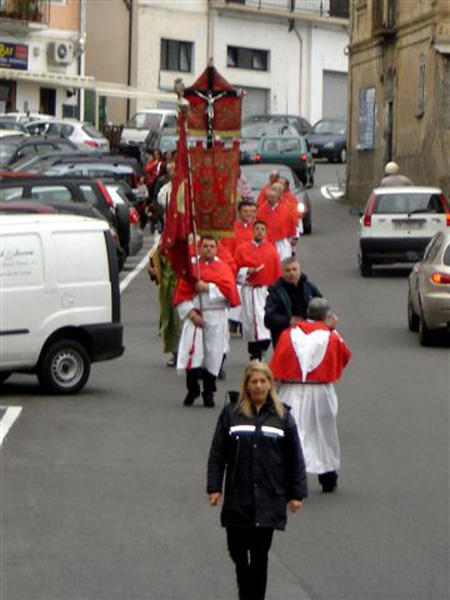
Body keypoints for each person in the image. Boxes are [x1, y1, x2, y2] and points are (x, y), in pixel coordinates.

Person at [207, 361, 307, 600]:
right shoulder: (231, 414)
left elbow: (295, 458)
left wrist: (296, 495)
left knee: (260, 556)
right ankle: (246, 588)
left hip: (269, 497)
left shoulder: (283, 416)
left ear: (270, 384)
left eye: (263, 381)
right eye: (254, 382)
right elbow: (217, 453)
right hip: (238, 495)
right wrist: (214, 487)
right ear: (246, 385)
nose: (259, 386)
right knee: (238, 554)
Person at [270, 298, 352, 493]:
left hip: (291, 389)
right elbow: (344, 356)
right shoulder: (331, 336)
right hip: (320, 390)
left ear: (308, 313)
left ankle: (292, 479)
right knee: (323, 433)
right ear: (327, 316)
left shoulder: (288, 334)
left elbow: (278, 360)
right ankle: (328, 476)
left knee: (292, 433)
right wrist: (331, 330)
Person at [173, 236, 240, 407]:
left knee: (213, 356)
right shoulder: (192, 268)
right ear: (199, 248)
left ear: (216, 249)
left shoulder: (222, 268)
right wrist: (191, 314)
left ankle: (209, 392)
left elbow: (228, 291)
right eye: (205, 246)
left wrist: (208, 287)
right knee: (192, 355)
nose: (208, 249)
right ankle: (192, 388)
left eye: (212, 246)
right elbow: (181, 294)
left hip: (216, 317)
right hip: (195, 316)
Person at [235, 220, 281, 361]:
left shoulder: (272, 251)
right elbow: (236, 269)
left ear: (266, 233)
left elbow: (277, 273)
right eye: (257, 229)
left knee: (264, 323)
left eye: (262, 229)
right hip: (249, 290)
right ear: (252, 231)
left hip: (264, 291)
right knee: (250, 323)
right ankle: (254, 354)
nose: (260, 231)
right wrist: (248, 271)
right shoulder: (242, 249)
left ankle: (263, 348)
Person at [264, 256, 322, 348]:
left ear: (299, 270)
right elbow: (269, 319)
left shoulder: (309, 288)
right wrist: (289, 320)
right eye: (287, 270)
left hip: (309, 338)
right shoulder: (275, 293)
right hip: (286, 341)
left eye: (294, 269)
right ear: (282, 273)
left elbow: (321, 306)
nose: (291, 273)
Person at [148, 242, 181, 367]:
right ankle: (176, 353)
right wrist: (154, 272)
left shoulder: (191, 242)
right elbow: (158, 266)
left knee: (185, 323)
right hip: (168, 289)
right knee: (172, 322)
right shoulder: (164, 244)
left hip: (184, 287)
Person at [257, 188, 297, 260]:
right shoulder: (261, 211)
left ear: (277, 198)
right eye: (268, 197)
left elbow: (291, 224)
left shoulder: (285, 210)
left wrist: (293, 238)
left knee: (284, 263)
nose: (270, 199)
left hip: (282, 242)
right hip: (267, 242)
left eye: (272, 197)